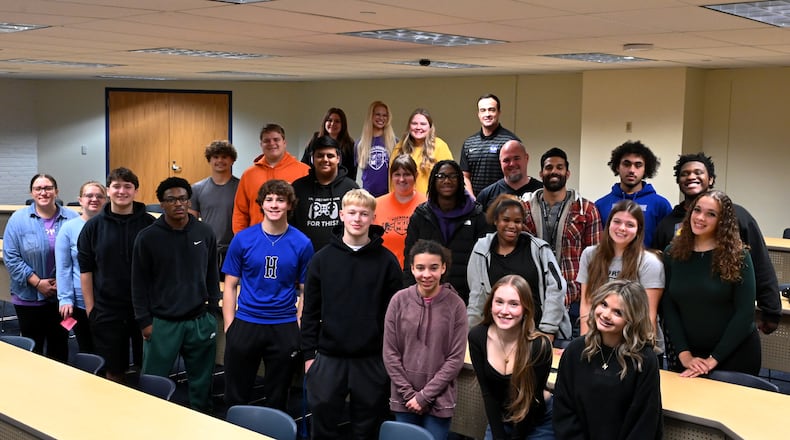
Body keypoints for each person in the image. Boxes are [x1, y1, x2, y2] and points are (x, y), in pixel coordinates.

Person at [302, 189, 403, 440]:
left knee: (366, 430)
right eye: (352, 213)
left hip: (371, 361)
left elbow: (394, 319)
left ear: (373, 218)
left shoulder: (387, 262)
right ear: (341, 215)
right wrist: (309, 356)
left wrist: (387, 361)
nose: (357, 219)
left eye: (364, 214)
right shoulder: (321, 260)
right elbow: (310, 312)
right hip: (328, 358)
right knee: (322, 429)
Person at [654, 152, 781, 335]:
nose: (691, 177)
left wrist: (771, 308)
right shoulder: (667, 224)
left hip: (728, 319)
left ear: (711, 179)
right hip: (683, 323)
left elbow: (760, 262)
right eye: (685, 174)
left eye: (698, 172)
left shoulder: (737, 216)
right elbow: (661, 276)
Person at [222, 180, 314, 411]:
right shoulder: (243, 239)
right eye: (269, 200)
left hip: (283, 326)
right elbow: (230, 285)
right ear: (261, 204)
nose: (274, 205)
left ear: (289, 205)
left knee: (277, 398)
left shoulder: (302, 243)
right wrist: (230, 327)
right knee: (236, 395)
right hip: (246, 323)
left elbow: (307, 291)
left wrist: (298, 327)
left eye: (280, 200)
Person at [131, 177, 220, 413]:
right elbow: (138, 283)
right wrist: (144, 321)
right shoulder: (147, 237)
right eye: (171, 200)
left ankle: (201, 419)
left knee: (202, 384)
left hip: (199, 320)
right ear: (162, 204)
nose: (178, 204)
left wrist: (212, 311)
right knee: (153, 383)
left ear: (189, 201)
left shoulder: (204, 231)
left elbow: (212, 272)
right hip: (162, 323)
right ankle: (150, 421)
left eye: (182, 198)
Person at [662, 190, 760, 376]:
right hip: (689, 354)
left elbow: (745, 313)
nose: (700, 217)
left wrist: (713, 359)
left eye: (711, 214)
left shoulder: (738, 256)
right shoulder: (672, 253)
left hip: (733, 353)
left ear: (723, 221)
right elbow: (668, 306)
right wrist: (684, 354)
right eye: (697, 210)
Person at [553, 279, 662, 440]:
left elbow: (645, 421)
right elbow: (563, 409)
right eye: (603, 305)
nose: (605, 315)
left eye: (618, 312)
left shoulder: (644, 359)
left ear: (632, 319)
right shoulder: (576, 350)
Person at [383, 240, 467, 440]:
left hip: (440, 400)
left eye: (434, 268)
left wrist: (424, 396)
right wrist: (409, 395)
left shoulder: (456, 305)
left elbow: (455, 359)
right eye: (420, 268)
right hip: (404, 399)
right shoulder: (398, 301)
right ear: (412, 268)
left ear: (443, 268)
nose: (427, 274)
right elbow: (390, 353)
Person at [78, 167, 155, 382]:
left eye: (127, 187)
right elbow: (86, 270)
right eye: (116, 186)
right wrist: (91, 309)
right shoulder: (93, 227)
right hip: (107, 310)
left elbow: (161, 269)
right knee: (113, 370)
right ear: (108, 190)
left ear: (136, 191)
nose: (122, 191)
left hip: (145, 309)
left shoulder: (150, 225)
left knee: (148, 368)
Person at [467, 194, 571, 343]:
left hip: (538, 333)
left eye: (517, 221)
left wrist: (548, 329)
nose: (512, 226)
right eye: (506, 220)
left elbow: (557, 288)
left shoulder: (539, 248)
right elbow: (477, 296)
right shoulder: (481, 250)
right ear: (496, 220)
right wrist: (472, 334)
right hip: (498, 335)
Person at [523, 148, 601, 338]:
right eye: (549, 167)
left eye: (560, 167)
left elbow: (596, 262)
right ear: (541, 173)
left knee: (570, 354)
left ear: (568, 173)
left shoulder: (586, 210)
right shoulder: (524, 209)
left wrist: (589, 302)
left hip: (573, 299)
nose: (554, 171)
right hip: (533, 298)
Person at [468, 275, 554, 440]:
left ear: (526, 309)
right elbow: (488, 394)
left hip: (536, 420)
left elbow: (531, 401)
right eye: (499, 302)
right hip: (502, 418)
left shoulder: (539, 346)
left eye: (514, 304)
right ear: (491, 304)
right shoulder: (477, 337)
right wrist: (498, 436)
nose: (504, 311)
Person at [3, 174, 78, 361]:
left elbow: (80, 255)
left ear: (56, 191)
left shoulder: (72, 218)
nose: (43, 192)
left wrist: (63, 283)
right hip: (28, 297)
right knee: (32, 350)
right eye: (38, 188)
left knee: (59, 346)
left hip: (62, 299)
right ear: (32, 193)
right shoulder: (18, 219)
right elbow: (11, 256)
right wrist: (37, 283)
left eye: (48, 188)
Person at [576, 200, 664, 353]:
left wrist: (644, 352)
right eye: (617, 222)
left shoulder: (650, 262)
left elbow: (649, 314)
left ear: (638, 230)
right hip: (598, 342)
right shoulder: (590, 254)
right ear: (608, 224)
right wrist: (585, 343)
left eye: (630, 225)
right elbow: (586, 303)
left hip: (634, 344)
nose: (622, 228)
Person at [404, 160, 488, 305]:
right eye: (441, 176)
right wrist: (412, 297)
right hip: (427, 297)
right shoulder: (421, 216)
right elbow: (409, 260)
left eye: (453, 176)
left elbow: (484, 263)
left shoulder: (477, 216)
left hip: (467, 299)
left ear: (460, 180)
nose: (447, 180)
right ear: (433, 180)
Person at [55, 180, 106, 353]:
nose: (94, 199)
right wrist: (65, 298)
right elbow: (63, 267)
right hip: (80, 301)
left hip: (109, 300)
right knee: (87, 348)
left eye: (99, 196)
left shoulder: (112, 226)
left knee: (111, 349)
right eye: (89, 195)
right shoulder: (68, 228)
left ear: (106, 200)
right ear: (80, 200)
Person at [233, 123, 310, 233]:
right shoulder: (249, 175)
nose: (272, 143)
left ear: (284, 142)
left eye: (276, 139)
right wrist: (241, 238)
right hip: (256, 239)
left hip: (292, 239)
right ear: (261, 144)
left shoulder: (304, 171)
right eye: (267, 141)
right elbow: (240, 212)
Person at [594, 140, 672, 249]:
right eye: (626, 164)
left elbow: (667, 244)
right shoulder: (601, 205)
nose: (631, 170)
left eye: (638, 165)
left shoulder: (660, 205)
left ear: (645, 169)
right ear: (617, 167)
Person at [292, 135, 358, 251]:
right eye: (320, 155)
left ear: (338, 158)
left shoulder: (351, 189)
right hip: (304, 255)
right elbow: (289, 225)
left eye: (330, 156)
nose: (325, 159)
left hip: (341, 255)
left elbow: (358, 226)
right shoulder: (297, 188)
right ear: (312, 158)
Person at [189, 140, 239, 269]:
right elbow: (191, 222)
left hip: (235, 248)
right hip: (207, 249)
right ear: (209, 160)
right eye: (216, 157)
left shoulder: (241, 187)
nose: (220, 160)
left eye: (224, 157)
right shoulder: (197, 189)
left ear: (232, 160)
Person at [460, 94, 522, 198]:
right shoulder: (469, 143)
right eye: (483, 110)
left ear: (499, 112)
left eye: (491, 110)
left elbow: (516, 175)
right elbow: (465, 176)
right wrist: (473, 201)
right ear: (478, 114)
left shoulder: (510, 141)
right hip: (476, 203)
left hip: (502, 203)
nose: (487, 114)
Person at [375, 155, 427, 268]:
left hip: (418, 272)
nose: (402, 179)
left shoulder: (427, 205)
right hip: (385, 270)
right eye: (397, 174)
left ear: (416, 175)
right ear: (391, 177)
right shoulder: (376, 205)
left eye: (407, 174)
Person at [390, 108, 453, 195]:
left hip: (431, 201)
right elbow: (392, 181)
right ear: (409, 126)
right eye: (414, 123)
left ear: (430, 127)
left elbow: (449, 178)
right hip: (404, 200)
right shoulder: (399, 148)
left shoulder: (440, 146)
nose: (418, 127)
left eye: (423, 124)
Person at [475, 140, 543, 211]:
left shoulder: (542, 192)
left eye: (516, 158)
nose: (512, 164)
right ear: (500, 162)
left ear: (526, 158)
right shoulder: (486, 196)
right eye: (506, 160)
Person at [301, 107, 357, 181]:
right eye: (329, 120)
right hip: (314, 182)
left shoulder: (349, 145)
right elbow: (304, 164)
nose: (332, 123)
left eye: (337, 121)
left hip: (339, 184)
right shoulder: (315, 139)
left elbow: (352, 172)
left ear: (343, 125)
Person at [356, 100, 397, 197]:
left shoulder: (395, 142)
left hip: (389, 195)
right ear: (371, 116)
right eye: (377, 114)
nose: (381, 118)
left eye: (385, 115)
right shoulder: (360, 144)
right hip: (368, 197)